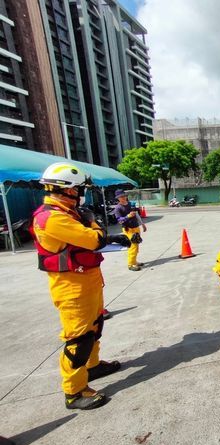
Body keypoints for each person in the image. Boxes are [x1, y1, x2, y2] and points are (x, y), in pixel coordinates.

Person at [31, 162, 130, 410]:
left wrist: (91, 222)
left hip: (87, 281)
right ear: (67, 190)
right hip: (72, 288)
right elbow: (93, 239)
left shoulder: (67, 213)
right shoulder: (51, 218)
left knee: (95, 327)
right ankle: (74, 392)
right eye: (78, 189)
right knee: (80, 338)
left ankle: (93, 367)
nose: (81, 193)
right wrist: (93, 221)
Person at [113, 189, 147, 271]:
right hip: (128, 229)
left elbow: (136, 214)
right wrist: (128, 216)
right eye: (121, 197)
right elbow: (119, 220)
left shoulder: (130, 204)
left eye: (124, 196)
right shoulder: (118, 208)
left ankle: (134, 261)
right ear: (118, 198)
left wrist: (142, 224)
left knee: (136, 245)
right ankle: (131, 264)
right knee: (133, 246)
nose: (123, 197)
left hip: (136, 228)